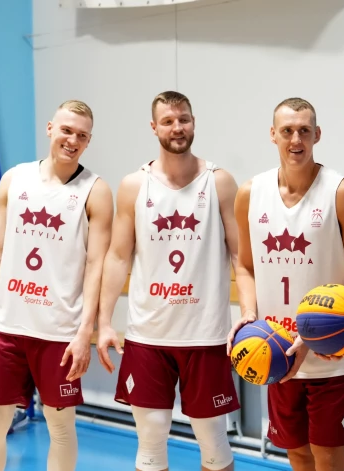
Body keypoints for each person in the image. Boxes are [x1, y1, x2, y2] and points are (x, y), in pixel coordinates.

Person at [0, 100, 114, 471]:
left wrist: (84, 332)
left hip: (59, 333)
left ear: (89, 141)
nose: (72, 140)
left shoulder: (96, 190)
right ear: (50, 128)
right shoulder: (15, 179)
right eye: (66, 130)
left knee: (60, 428)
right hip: (8, 326)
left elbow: (97, 267)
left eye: (81, 135)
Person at [96, 91, 241, 471]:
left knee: (213, 439)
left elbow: (243, 256)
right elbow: (116, 257)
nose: (177, 127)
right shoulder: (133, 185)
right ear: (154, 127)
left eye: (184, 119)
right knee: (151, 437)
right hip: (148, 334)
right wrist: (104, 322)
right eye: (168, 121)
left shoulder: (220, 181)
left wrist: (251, 313)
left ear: (194, 122)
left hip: (206, 334)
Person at [226, 98, 344, 471]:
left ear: (317, 135)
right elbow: (243, 265)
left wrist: (318, 334)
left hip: (331, 352)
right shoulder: (250, 193)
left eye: (304, 131)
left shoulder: (341, 190)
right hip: (277, 349)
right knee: (297, 454)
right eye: (287, 131)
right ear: (273, 135)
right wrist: (249, 314)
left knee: (328, 457)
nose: (296, 139)